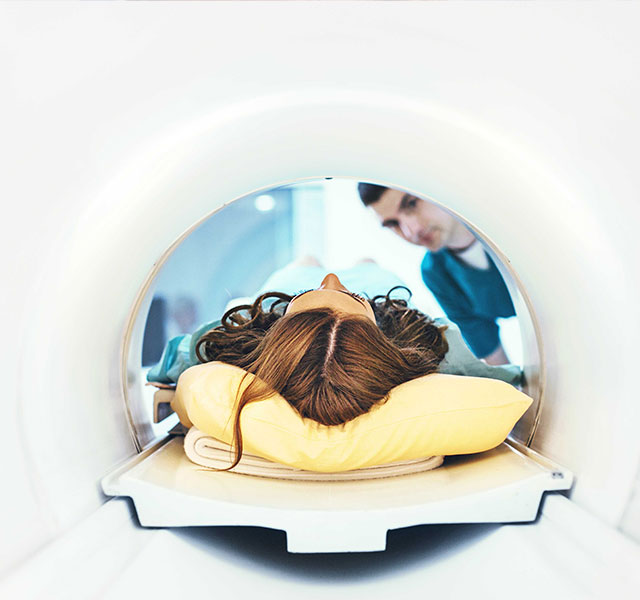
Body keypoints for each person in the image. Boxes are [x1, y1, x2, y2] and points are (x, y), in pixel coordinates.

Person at [148, 264, 522, 470]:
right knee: (369, 266)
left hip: (293, 290)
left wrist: (300, 298)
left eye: (342, 291)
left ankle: (304, 286)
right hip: (380, 297)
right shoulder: (433, 347)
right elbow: (504, 381)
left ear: (275, 332)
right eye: (341, 292)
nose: (333, 279)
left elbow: (167, 371)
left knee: (305, 266)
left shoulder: (227, 340)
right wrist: (361, 300)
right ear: (381, 342)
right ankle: (359, 283)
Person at [358, 183, 516, 365]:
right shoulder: (435, 273)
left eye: (411, 203)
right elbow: (492, 354)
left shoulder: (509, 221)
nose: (412, 231)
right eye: (394, 224)